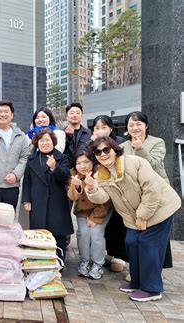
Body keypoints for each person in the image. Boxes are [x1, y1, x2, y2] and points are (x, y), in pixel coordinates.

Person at [85, 137, 181, 302]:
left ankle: (152, 289)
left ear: (115, 149)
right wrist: (92, 188)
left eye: (106, 150)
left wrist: (143, 216)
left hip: (160, 209)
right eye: (98, 152)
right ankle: (137, 282)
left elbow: (152, 190)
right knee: (131, 242)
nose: (103, 154)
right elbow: (103, 198)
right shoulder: (101, 173)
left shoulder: (135, 163)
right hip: (134, 216)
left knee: (148, 245)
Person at [120, 111, 173, 269]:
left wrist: (141, 149)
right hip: (135, 197)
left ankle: (152, 271)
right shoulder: (123, 146)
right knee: (135, 237)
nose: (135, 127)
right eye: (131, 124)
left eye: (138, 124)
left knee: (153, 236)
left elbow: (156, 165)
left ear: (146, 125)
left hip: (156, 194)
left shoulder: (157, 142)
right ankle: (136, 270)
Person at [22, 128, 72, 262]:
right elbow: (27, 180)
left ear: (53, 142)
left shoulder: (62, 157)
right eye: (41, 140)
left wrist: (54, 167)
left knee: (58, 236)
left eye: (47, 140)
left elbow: (66, 177)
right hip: (37, 202)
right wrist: (26, 200)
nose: (44, 143)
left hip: (57, 203)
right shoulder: (32, 159)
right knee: (39, 235)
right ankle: (40, 263)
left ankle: (59, 264)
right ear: (36, 143)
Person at [90, 115, 127, 273]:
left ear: (111, 128)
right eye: (97, 128)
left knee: (119, 223)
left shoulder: (119, 143)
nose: (101, 131)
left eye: (104, 127)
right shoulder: (91, 144)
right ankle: (109, 254)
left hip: (120, 190)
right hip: (102, 189)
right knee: (108, 225)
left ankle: (119, 257)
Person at [68, 150, 113, 279]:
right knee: (83, 233)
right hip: (83, 210)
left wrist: (95, 217)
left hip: (101, 209)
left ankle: (98, 264)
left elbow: (107, 200)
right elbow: (71, 197)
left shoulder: (102, 173)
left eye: (86, 162)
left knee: (96, 233)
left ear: (93, 162)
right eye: (78, 163)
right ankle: (85, 261)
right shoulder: (73, 174)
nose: (82, 166)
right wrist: (75, 186)